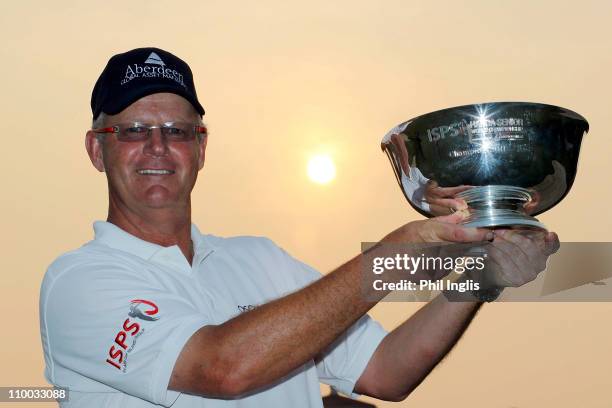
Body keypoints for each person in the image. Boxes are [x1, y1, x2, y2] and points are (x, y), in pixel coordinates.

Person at [39, 47, 559, 408]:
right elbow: (224, 366)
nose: (156, 147)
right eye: (131, 131)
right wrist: (399, 251)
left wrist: (477, 278)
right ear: (96, 148)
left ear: (200, 149)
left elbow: (384, 372)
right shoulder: (80, 282)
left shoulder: (260, 260)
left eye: (176, 130)